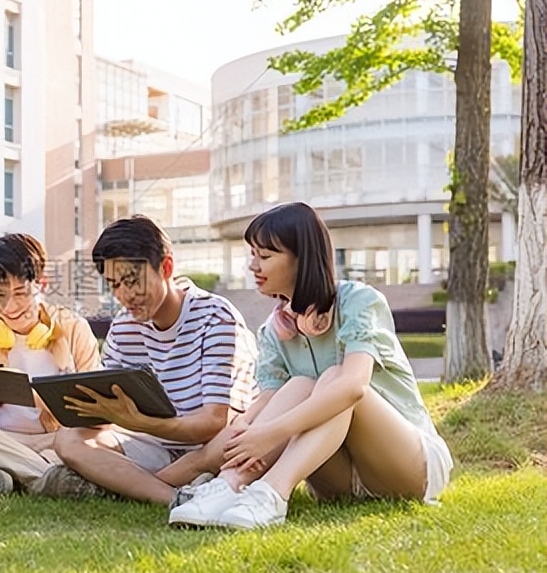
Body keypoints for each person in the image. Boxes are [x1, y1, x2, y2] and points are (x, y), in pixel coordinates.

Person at [168, 202, 454, 529]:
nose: (253, 266)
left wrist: (271, 432)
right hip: (338, 481)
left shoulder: (357, 301)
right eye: (253, 255)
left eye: (265, 255)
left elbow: (353, 386)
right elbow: (267, 401)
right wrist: (246, 431)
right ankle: (229, 486)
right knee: (299, 386)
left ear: (300, 258)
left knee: (335, 378)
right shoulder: (273, 331)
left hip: (405, 466)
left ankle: (271, 495)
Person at [47, 215, 259, 504]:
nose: (125, 295)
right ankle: (176, 498)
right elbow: (110, 411)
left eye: (132, 281)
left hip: (211, 446)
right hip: (155, 446)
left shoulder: (215, 317)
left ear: (166, 267)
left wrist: (138, 422)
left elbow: (213, 422)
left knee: (235, 438)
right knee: (69, 439)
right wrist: (92, 410)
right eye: (114, 284)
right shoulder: (124, 326)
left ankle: (124, 484)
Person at [0, 233, 102, 498]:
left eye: (21, 293)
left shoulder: (73, 329)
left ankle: (1, 476)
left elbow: (94, 416)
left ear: (42, 284)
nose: (9, 306)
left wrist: (61, 382)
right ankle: (47, 478)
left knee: (86, 443)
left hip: (55, 441)